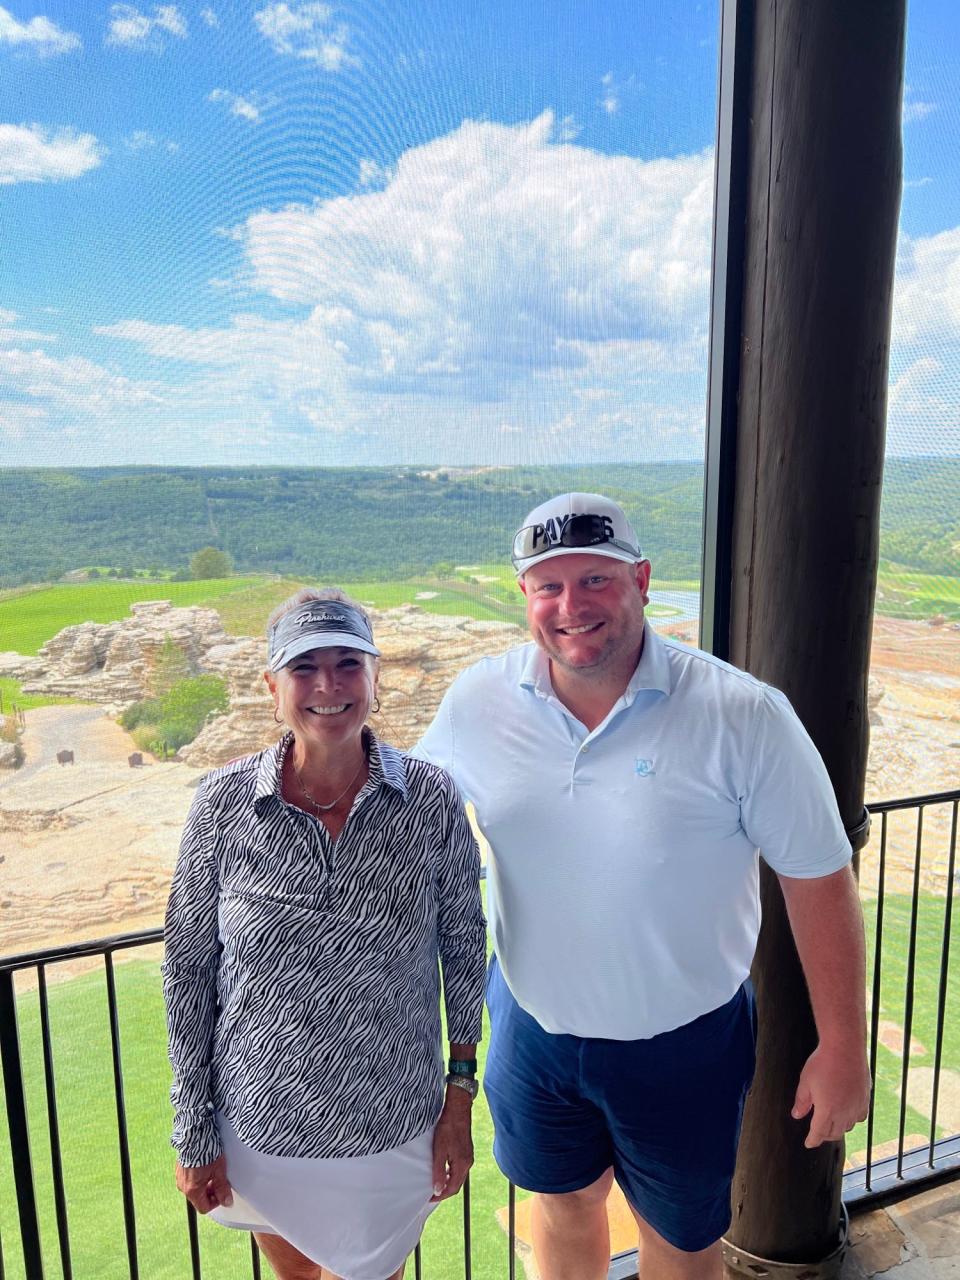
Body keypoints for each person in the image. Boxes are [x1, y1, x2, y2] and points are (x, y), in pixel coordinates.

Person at [415, 493, 871, 1280]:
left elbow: (818, 878)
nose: (572, 606)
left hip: (684, 1044)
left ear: (642, 580)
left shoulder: (743, 715)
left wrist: (844, 1047)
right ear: (524, 595)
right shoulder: (478, 704)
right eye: (549, 586)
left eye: (595, 580)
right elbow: (403, 822)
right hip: (533, 1027)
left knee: (682, 1241)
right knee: (560, 1206)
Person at [163, 588, 486, 1280]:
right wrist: (193, 1126)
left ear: (376, 678)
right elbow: (188, 969)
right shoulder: (222, 805)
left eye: (347, 664)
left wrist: (461, 1098)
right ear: (272, 687)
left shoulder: (429, 800)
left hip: (392, 1123)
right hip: (262, 1125)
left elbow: (463, 952)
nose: (327, 686)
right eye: (304, 667)